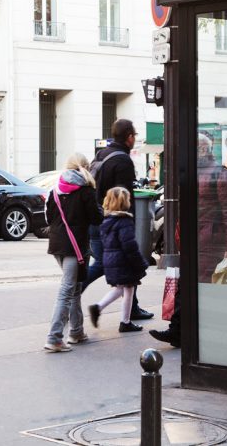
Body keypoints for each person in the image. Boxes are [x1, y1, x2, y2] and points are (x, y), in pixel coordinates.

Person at [81, 119, 154, 321]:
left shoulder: (102, 154)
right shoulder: (122, 161)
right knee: (107, 264)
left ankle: (132, 308)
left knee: (116, 264)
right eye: (134, 136)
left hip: (98, 217)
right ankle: (73, 291)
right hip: (114, 221)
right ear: (130, 137)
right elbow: (123, 196)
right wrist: (127, 222)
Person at [44, 153, 104, 352]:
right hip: (75, 246)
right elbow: (96, 219)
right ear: (85, 167)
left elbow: (49, 217)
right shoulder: (85, 191)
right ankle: (54, 337)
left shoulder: (56, 189)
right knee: (67, 290)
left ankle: (76, 331)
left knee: (75, 287)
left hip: (57, 245)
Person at [87, 187, 149, 333]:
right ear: (123, 202)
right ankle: (123, 321)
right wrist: (141, 263)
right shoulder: (124, 221)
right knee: (127, 288)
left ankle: (104, 310)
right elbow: (130, 246)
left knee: (123, 288)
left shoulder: (107, 221)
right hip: (123, 261)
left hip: (111, 259)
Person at [195, 132, 227, 284]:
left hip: (211, 240)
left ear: (203, 149)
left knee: (206, 283)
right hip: (198, 239)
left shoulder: (219, 173)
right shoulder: (195, 171)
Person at [150, 221, 181, 348]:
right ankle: (177, 331)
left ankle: (177, 331)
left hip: (204, 245)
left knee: (183, 292)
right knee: (182, 292)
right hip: (197, 245)